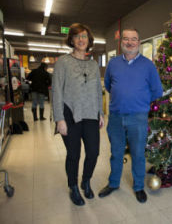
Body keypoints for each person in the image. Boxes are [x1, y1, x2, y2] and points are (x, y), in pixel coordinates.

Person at [99, 28, 163, 203]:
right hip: (116, 117)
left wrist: (141, 101)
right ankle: (113, 183)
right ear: (121, 43)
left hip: (138, 117)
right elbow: (108, 85)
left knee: (138, 154)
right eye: (126, 39)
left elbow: (157, 90)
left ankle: (138, 187)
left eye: (133, 39)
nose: (129, 42)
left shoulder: (148, 65)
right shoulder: (113, 63)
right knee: (116, 153)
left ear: (139, 42)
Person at [52, 23, 104, 206]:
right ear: (72, 40)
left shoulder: (93, 65)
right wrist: (59, 119)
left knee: (94, 152)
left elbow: (98, 90)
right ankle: (73, 186)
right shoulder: (63, 62)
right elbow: (57, 92)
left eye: (84, 36)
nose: (81, 40)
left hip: (91, 114)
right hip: (70, 115)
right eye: (77, 36)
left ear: (89, 40)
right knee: (73, 155)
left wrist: (101, 113)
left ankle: (86, 180)